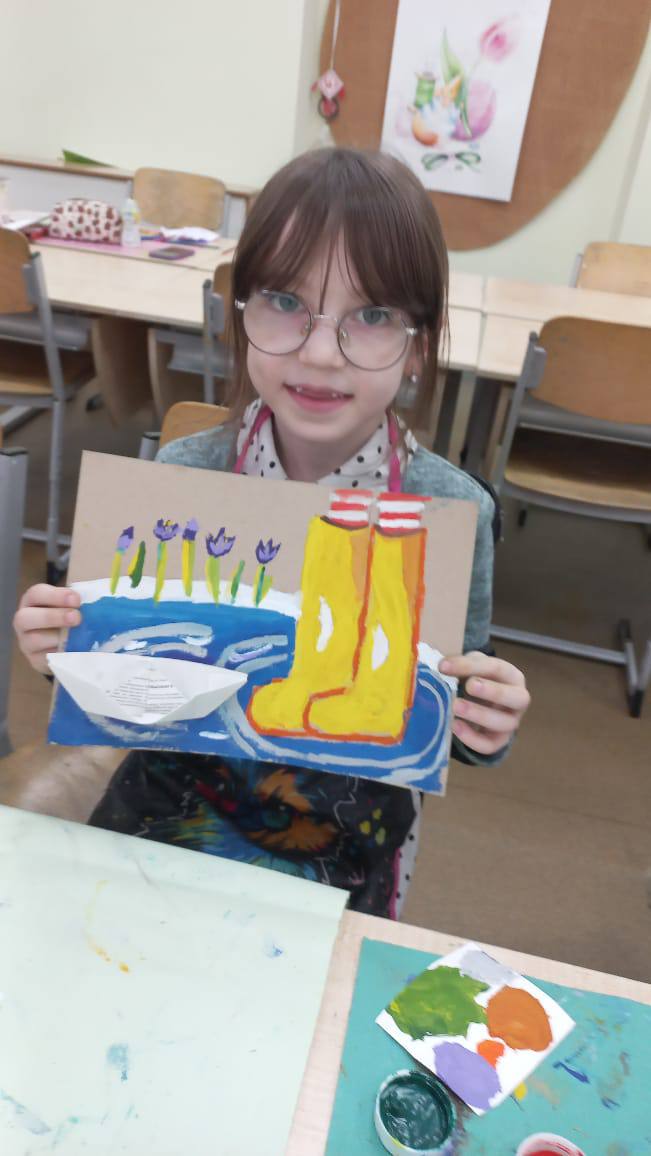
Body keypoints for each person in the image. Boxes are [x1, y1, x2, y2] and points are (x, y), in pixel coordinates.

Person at [14, 148, 530, 918]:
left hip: (342, 845)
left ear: (418, 347)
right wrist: (59, 648)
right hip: (167, 818)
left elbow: (451, 705)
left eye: (372, 315)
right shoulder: (186, 474)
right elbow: (122, 675)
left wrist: (483, 718)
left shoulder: (449, 509)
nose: (319, 352)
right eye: (286, 301)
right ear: (241, 313)